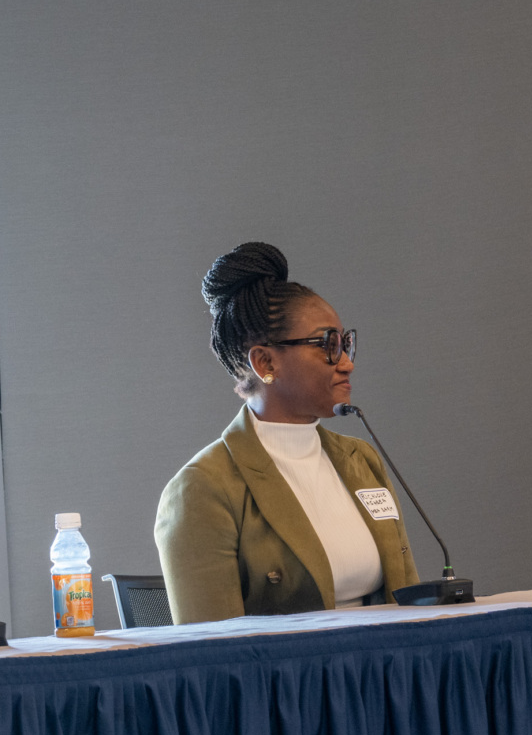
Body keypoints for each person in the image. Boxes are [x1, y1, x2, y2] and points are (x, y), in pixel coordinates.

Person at [155, 241, 420, 623]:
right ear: (265, 362)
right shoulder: (203, 489)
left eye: (345, 344)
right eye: (327, 345)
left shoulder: (362, 459)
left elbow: (410, 602)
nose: (346, 363)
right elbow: (214, 658)